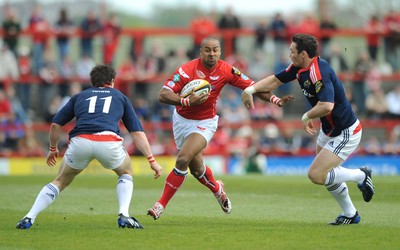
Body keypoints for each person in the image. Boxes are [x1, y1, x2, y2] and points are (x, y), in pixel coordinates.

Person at [147, 36, 293, 220]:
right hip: (181, 120)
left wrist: (275, 99)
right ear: (201, 52)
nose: (212, 53)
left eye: (215, 49)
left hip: (205, 123)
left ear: (220, 52)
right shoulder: (186, 70)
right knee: (197, 169)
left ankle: (160, 205)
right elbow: (163, 94)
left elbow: (254, 87)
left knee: (183, 159)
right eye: (207, 50)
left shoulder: (226, 69)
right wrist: (186, 101)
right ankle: (217, 188)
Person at [241, 33, 375, 225]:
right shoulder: (299, 67)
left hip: (345, 131)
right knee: (327, 173)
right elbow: (275, 81)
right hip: (328, 129)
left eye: (292, 51)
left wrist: (306, 116)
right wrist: (250, 90)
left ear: (303, 53)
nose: (289, 55)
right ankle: (350, 214)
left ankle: (361, 175)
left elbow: (327, 105)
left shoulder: (318, 72)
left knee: (317, 175)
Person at [16, 64, 163, 230]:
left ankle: (29, 217)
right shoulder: (120, 97)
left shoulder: (79, 96)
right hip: (108, 142)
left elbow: (56, 124)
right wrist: (152, 160)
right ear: (112, 81)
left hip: (81, 142)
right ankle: (124, 215)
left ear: (92, 81)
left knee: (60, 180)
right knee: (126, 171)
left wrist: (52, 149)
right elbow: (137, 132)